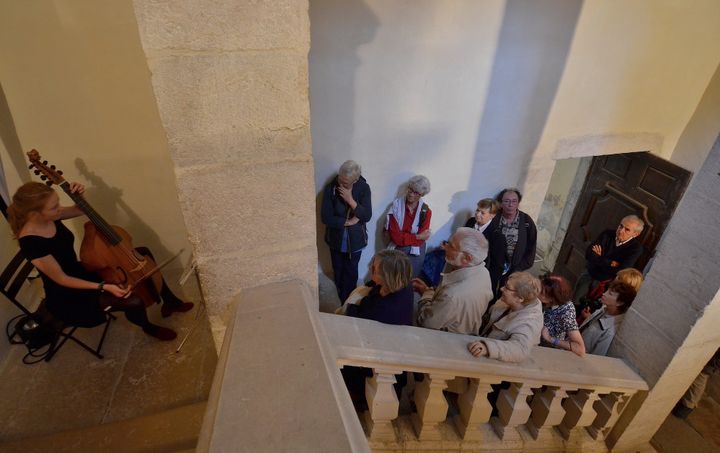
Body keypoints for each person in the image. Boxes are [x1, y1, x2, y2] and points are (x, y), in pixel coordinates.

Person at [8, 182, 193, 341]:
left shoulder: (51, 216)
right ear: (34, 214)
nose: (59, 208)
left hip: (80, 271)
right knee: (133, 301)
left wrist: (80, 197)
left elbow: (81, 210)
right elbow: (62, 279)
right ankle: (148, 327)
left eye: (57, 203)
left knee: (142, 252)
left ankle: (170, 300)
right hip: (68, 295)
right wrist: (104, 286)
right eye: (54, 207)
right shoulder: (30, 242)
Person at [413, 227, 493, 335]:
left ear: (467, 258)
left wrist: (426, 293)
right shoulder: (484, 272)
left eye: (451, 246)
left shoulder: (452, 296)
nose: (445, 247)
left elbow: (426, 322)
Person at [321, 160, 372, 304]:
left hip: (355, 240)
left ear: (355, 180)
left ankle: (348, 299)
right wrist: (347, 222)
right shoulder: (331, 188)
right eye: (340, 180)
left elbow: (367, 215)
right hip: (336, 237)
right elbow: (326, 217)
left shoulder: (363, 188)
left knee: (351, 270)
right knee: (338, 267)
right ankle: (339, 293)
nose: (341, 185)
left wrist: (351, 201)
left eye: (346, 183)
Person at [467, 272, 543, 363]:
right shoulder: (508, 301)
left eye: (507, 287)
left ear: (520, 298)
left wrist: (488, 347)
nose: (502, 288)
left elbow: (520, 350)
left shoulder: (529, 322)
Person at [574, 215, 644, 302]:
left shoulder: (636, 249)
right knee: (575, 301)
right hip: (590, 273)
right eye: (621, 226)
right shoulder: (607, 234)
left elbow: (620, 271)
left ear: (636, 234)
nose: (621, 231)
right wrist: (610, 263)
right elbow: (589, 254)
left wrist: (600, 257)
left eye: (627, 229)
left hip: (606, 284)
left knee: (589, 309)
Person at [342, 250, 414, 325]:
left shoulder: (380, 308)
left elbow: (355, 314)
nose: (370, 268)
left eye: (374, 269)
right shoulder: (405, 283)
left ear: (387, 278)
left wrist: (348, 307)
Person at [385, 175, 432, 278]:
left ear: (422, 195)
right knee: (393, 276)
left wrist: (408, 238)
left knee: (410, 277)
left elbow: (422, 240)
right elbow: (395, 237)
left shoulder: (426, 211)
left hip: (417, 248)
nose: (411, 194)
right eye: (410, 189)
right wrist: (417, 236)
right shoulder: (396, 206)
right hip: (398, 247)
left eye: (416, 192)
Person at [579, 281, 637, 356]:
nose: (604, 294)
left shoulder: (610, 330)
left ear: (620, 303)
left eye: (610, 294)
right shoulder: (603, 310)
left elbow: (597, 355)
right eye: (607, 291)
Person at [464, 198, 506, 297]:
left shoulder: (497, 236)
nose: (478, 214)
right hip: (464, 270)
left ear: (492, 215)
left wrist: (486, 285)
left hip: (480, 276)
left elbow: (497, 266)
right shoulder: (470, 222)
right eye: (477, 210)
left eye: (482, 213)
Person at [495, 188, 537, 286]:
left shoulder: (526, 221)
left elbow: (532, 244)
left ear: (518, 203)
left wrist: (520, 267)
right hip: (494, 265)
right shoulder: (494, 218)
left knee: (507, 292)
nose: (510, 205)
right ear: (501, 203)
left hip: (515, 268)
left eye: (514, 201)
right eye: (506, 201)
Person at [538, 273, 585, 357]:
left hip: (548, 352)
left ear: (551, 298)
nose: (536, 292)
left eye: (541, 291)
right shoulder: (545, 301)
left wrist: (550, 339)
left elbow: (580, 349)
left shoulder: (566, 312)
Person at [576, 267, 643, 326]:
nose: (614, 284)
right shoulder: (606, 287)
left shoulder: (617, 321)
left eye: (619, 282)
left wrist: (589, 318)